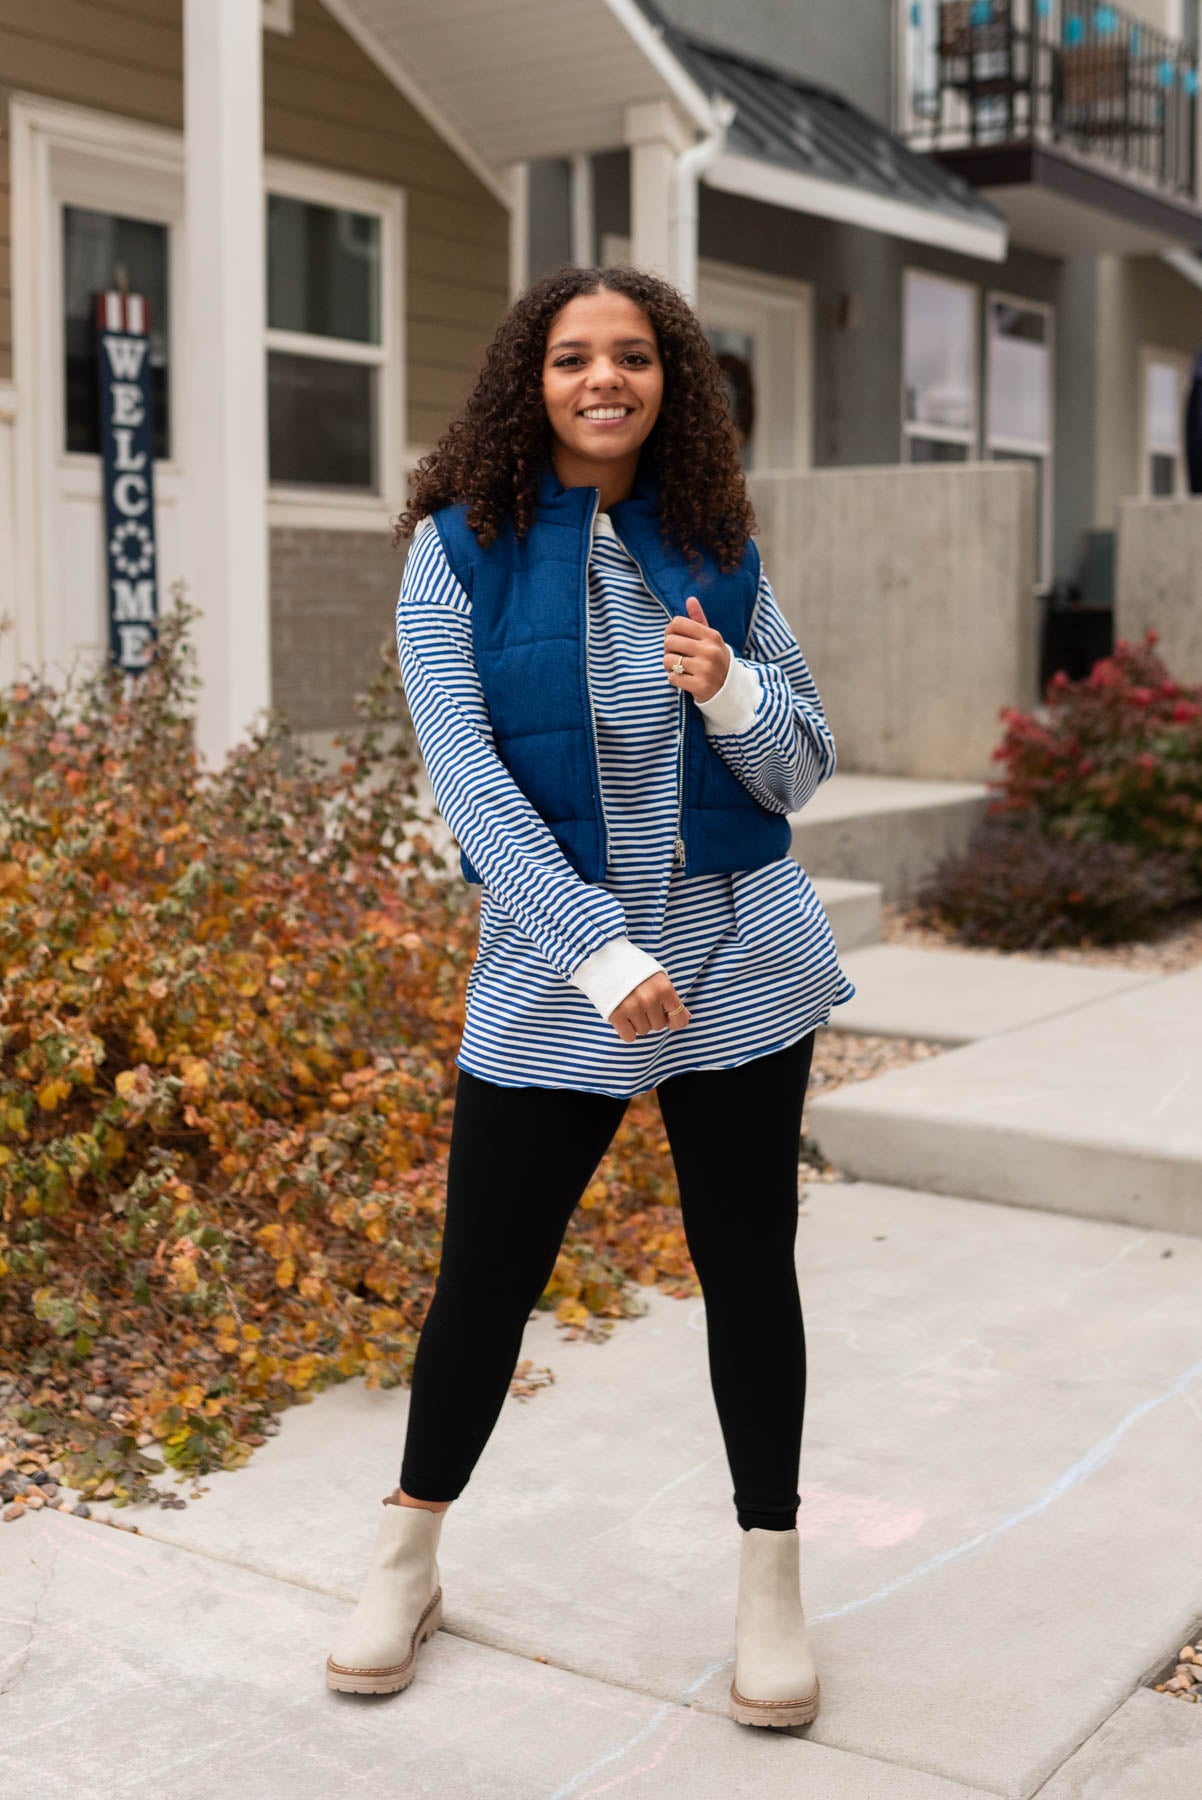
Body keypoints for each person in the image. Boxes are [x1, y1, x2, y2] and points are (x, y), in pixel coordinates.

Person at [325, 265, 856, 1726]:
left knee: (748, 1271)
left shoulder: (719, 544)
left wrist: (730, 693)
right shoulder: (456, 551)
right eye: (573, 357)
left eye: (632, 356)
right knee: (486, 1277)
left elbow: (804, 765)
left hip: (738, 955)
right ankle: (406, 1553)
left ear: (669, 379)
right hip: (563, 973)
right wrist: (595, 950)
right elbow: (470, 789)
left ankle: (768, 1582)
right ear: (531, 378)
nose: (603, 379)